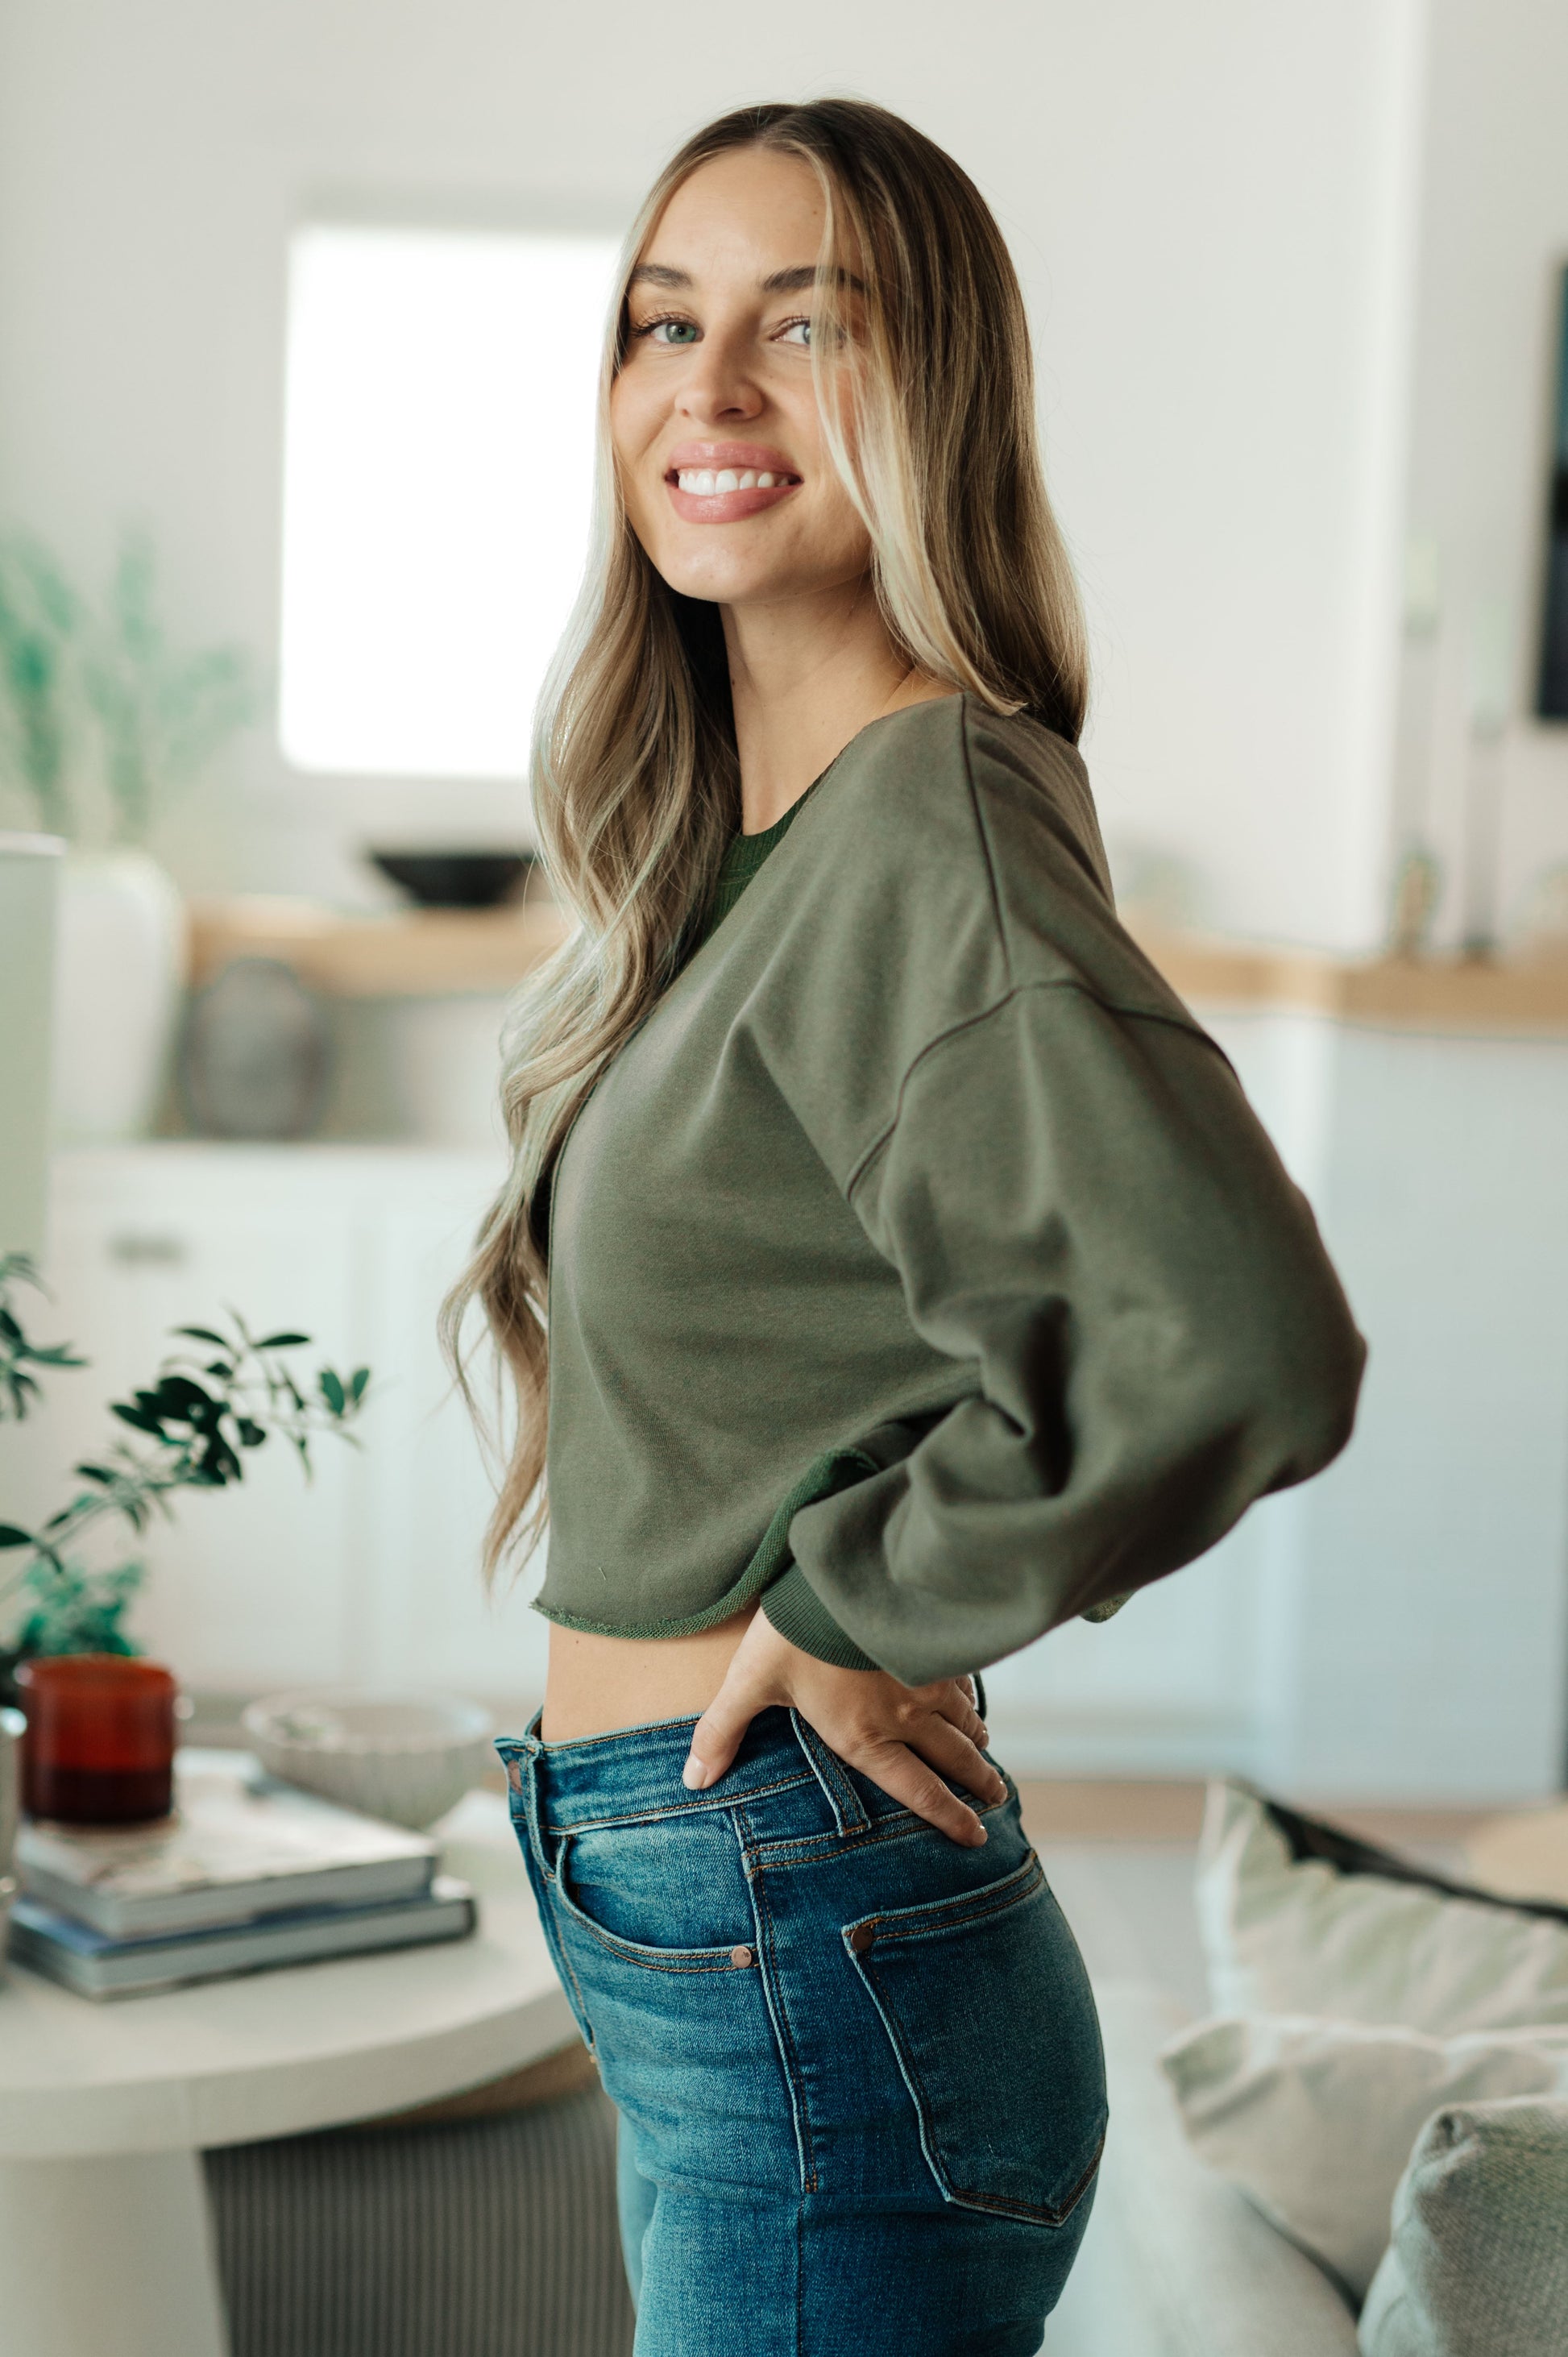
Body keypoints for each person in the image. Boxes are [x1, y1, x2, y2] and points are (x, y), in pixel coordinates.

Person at [451, 97, 1365, 2357]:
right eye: (664, 320)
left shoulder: (926, 808)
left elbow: (1235, 1337)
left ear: (931, 390)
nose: (709, 385)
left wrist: (868, 1603)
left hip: (794, 1925)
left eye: (805, 325)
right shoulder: (758, 842)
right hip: (725, 1918)